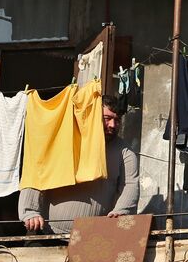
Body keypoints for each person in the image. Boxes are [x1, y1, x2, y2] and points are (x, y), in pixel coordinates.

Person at [20, 94, 139, 235]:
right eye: (107, 119)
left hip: (92, 239)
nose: (113, 125)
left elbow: (130, 184)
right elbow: (38, 171)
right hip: (46, 232)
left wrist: (122, 211)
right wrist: (30, 211)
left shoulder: (125, 152)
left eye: (117, 120)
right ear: (92, 116)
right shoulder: (64, 139)